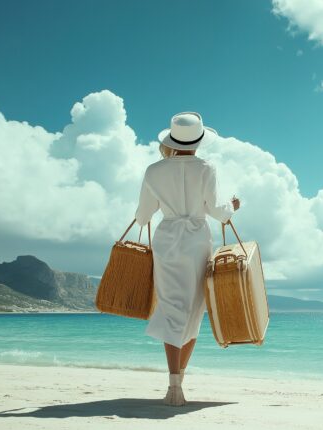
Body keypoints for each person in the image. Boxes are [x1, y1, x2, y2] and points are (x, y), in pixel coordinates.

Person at [134, 112, 240, 406]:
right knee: (194, 310)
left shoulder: (154, 171)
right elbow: (219, 212)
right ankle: (178, 384)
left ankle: (172, 384)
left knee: (171, 308)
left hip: (167, 240)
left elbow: (143, 217)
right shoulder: (206, 168)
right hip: (196, 241)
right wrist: (232, 205)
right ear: (199, 140)